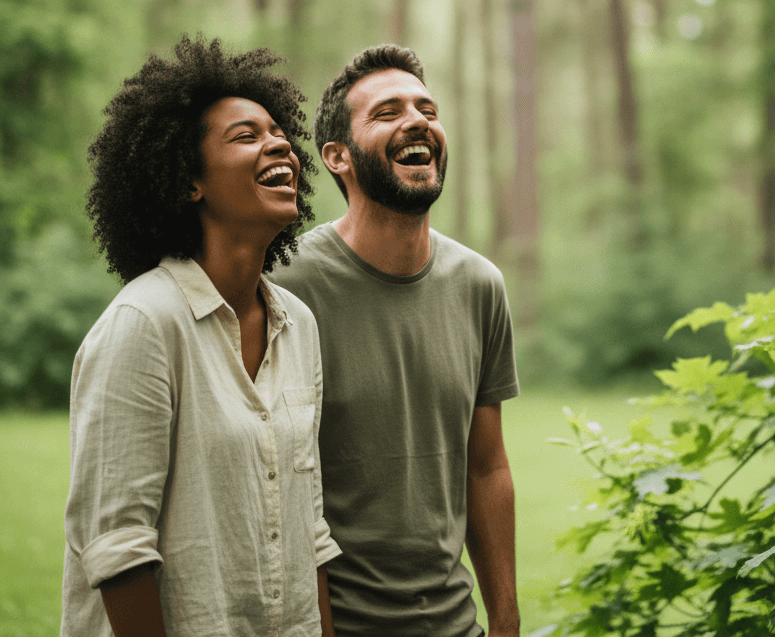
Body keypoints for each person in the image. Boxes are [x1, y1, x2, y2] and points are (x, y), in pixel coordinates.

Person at [62, 36, 341, 637]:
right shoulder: (144, 323)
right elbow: (118, 549)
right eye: (246, 136)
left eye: (278, 132)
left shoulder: (299, 325)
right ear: (191, 181)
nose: (280, 145)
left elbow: (309, 528)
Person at [269, 45, 520, 637]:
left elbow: (486, 469)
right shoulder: (283, 286)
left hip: (455, 624)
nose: (418, 122)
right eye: (388, 112)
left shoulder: (480, 285)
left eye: (427, 110)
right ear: (338, 157)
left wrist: (506, 622)